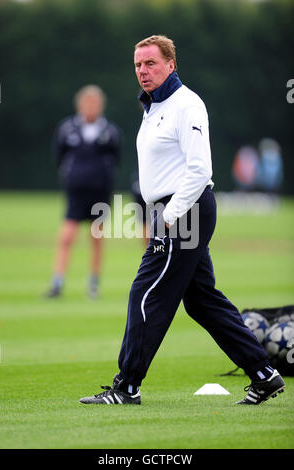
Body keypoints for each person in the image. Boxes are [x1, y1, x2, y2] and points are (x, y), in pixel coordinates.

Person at [79, 35, 285, 405]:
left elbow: (199, 169)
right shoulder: (153, 106)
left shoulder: (186, 104)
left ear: (171, 65)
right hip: (171, 210)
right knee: (202, 301)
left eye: (151, 63)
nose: (142, 71)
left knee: (145, 293)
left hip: (184, 210)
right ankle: (264, 374)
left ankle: (126, 386)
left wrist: (169, 217)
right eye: (138, 64)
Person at [45, 85, 121, 298]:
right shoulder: (67, 128)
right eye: (87, 103)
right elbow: (58, 156)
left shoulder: (110, 131)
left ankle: (93, 284)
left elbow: (116, 158)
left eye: (95, 103)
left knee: (96, 238)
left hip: (100, 192)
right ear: (79, 105)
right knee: (67, 237)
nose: (91, 107)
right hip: (76, 192)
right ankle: (57, 282)